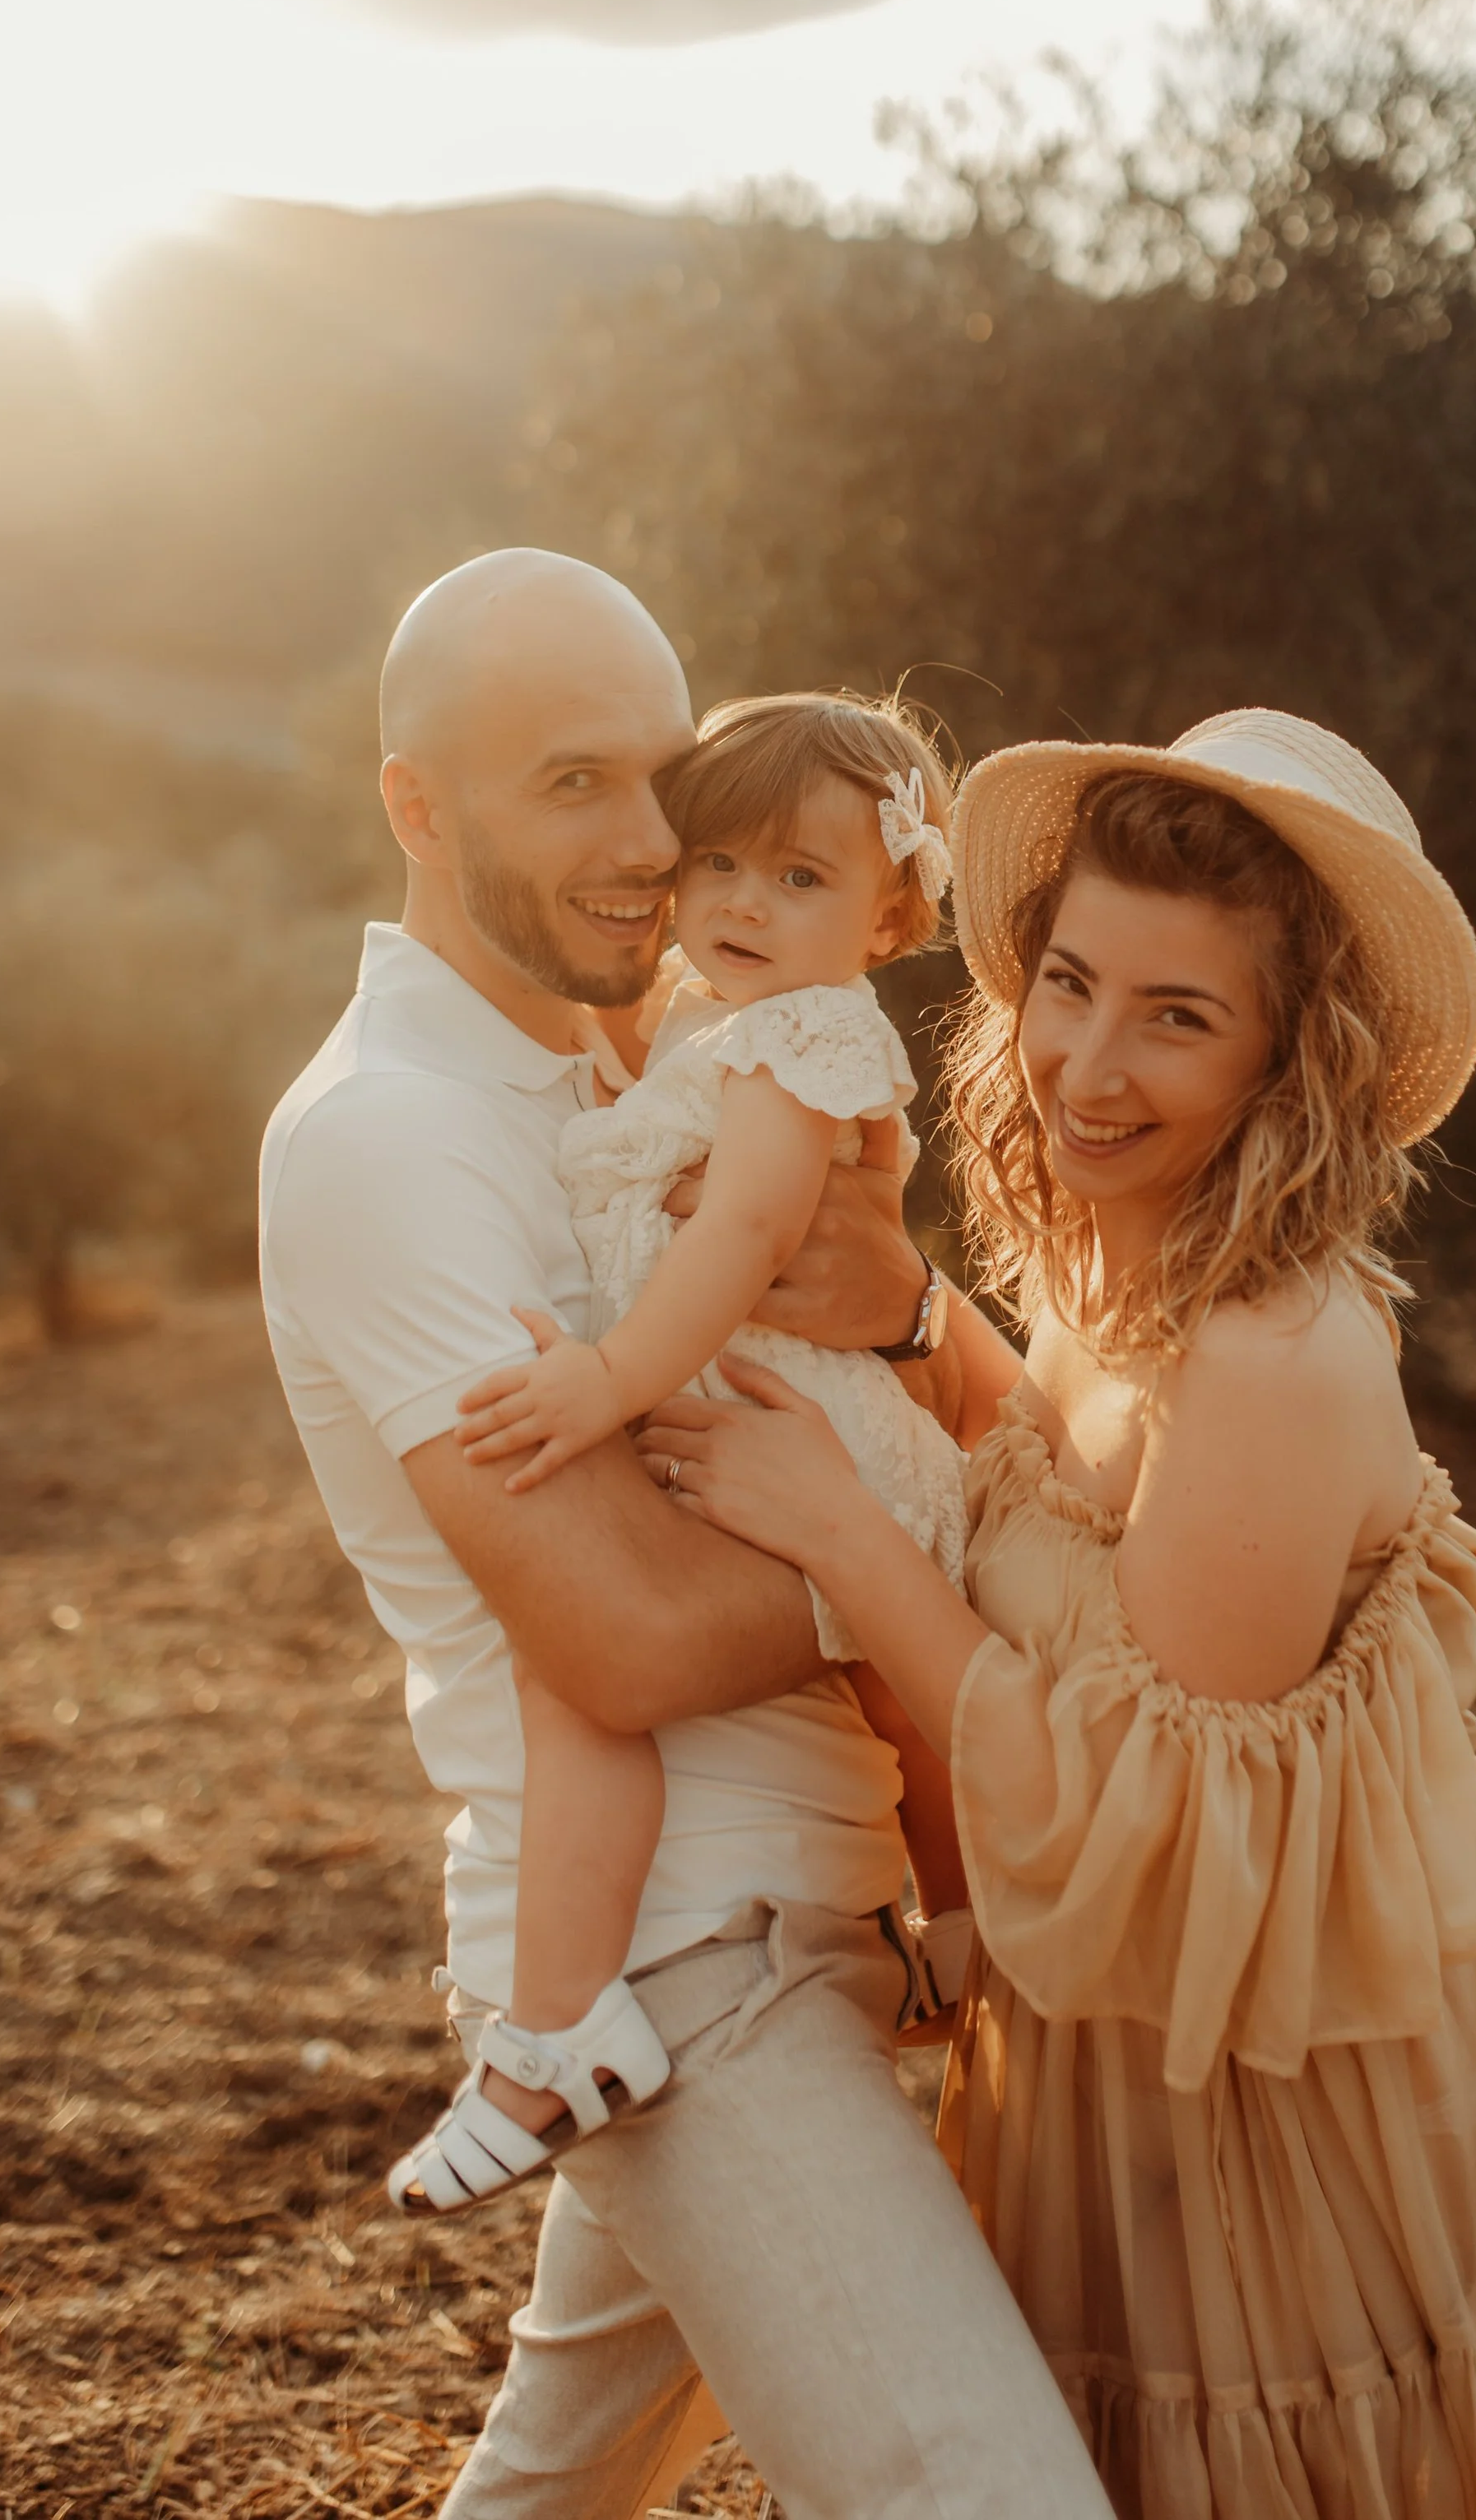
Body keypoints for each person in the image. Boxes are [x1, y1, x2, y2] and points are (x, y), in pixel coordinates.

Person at [643, 708, 1476, 2520]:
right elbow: (1076, 1514)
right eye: (1070, 982)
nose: (1085, 1066)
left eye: (1177, 1015)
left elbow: (1149, 1825)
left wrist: (844, 1536)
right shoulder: (1123, 1245)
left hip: (1292, 2140)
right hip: (1131, 2091)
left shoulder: (1273, 1353)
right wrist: (917, 1313)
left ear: (1286, 1058)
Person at [258, 550, 1114, 2520]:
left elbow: (989, 1435)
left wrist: (901, 1310)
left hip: (800, 1909)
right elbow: (624, 1640)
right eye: (569, 782)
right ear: (415, 807)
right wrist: (904, 1569)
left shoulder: (689, 1039)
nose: (652, 842)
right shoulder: (392, 1136)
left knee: (552, 2490)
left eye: (660, 772)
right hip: (682, 1961)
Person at [386, 690, 974, 2219]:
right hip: (732, 1417)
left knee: (602, 1679)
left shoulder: (809, 1037)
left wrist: (606, 1377)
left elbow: (748, 1235)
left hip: (790, 1427)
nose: (742, 903)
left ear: (889, 914)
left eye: (799, 877)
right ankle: (945, 1929)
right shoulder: (714, 1011)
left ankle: (556, 2030)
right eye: (718, 863)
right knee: (864, 1705)